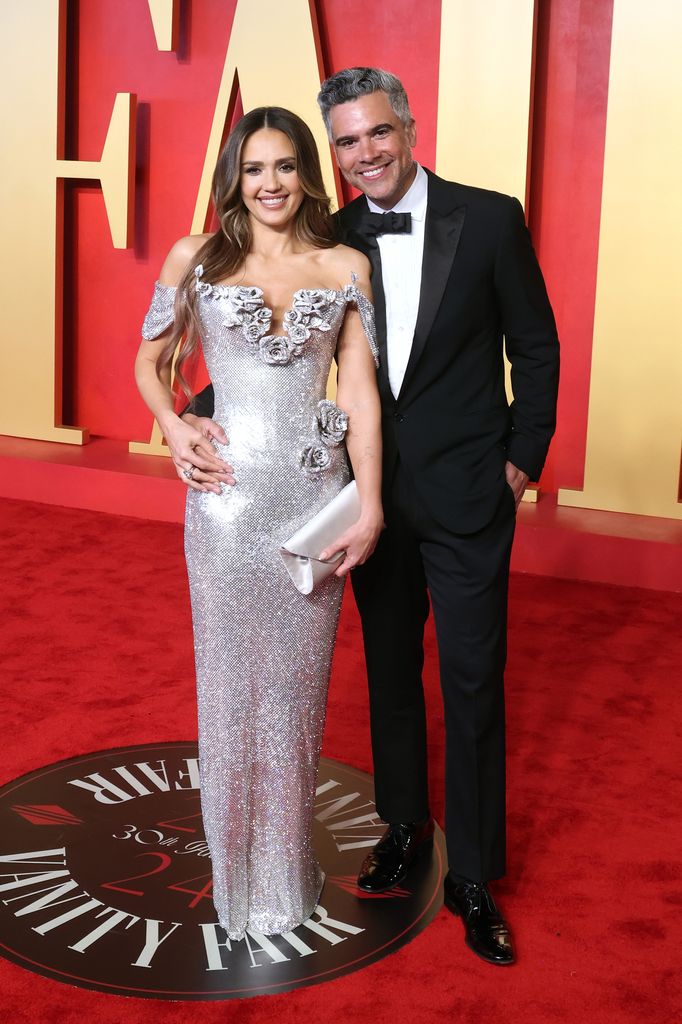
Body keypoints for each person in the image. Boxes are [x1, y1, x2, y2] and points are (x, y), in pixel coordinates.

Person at [185, 68, 560, 965]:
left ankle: (471, 875)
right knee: (389, 674)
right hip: (358, 499)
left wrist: (520, 464)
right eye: (347, 142)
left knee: (471, 684)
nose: (365, 155)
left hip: (471, 494)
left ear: (411, 129)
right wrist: (197, 417)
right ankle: (404, 829)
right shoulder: (329, 234)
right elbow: (277, 344)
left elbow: (536, 347)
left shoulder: (492, 217)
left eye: (378, 134)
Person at [134, 106, 383, 940]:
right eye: (254, 169)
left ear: (309, 173)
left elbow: (357, 394)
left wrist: (371, 501)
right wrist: (172, 424)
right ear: (233, 179)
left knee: (297, 697)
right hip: (226, 502)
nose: (269, 184)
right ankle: (236, 886)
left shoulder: (345, 264)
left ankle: (283, 875)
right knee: (233, 691)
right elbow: (149, 357)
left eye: (284, 167)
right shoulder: (196, 258)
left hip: (314, 502)